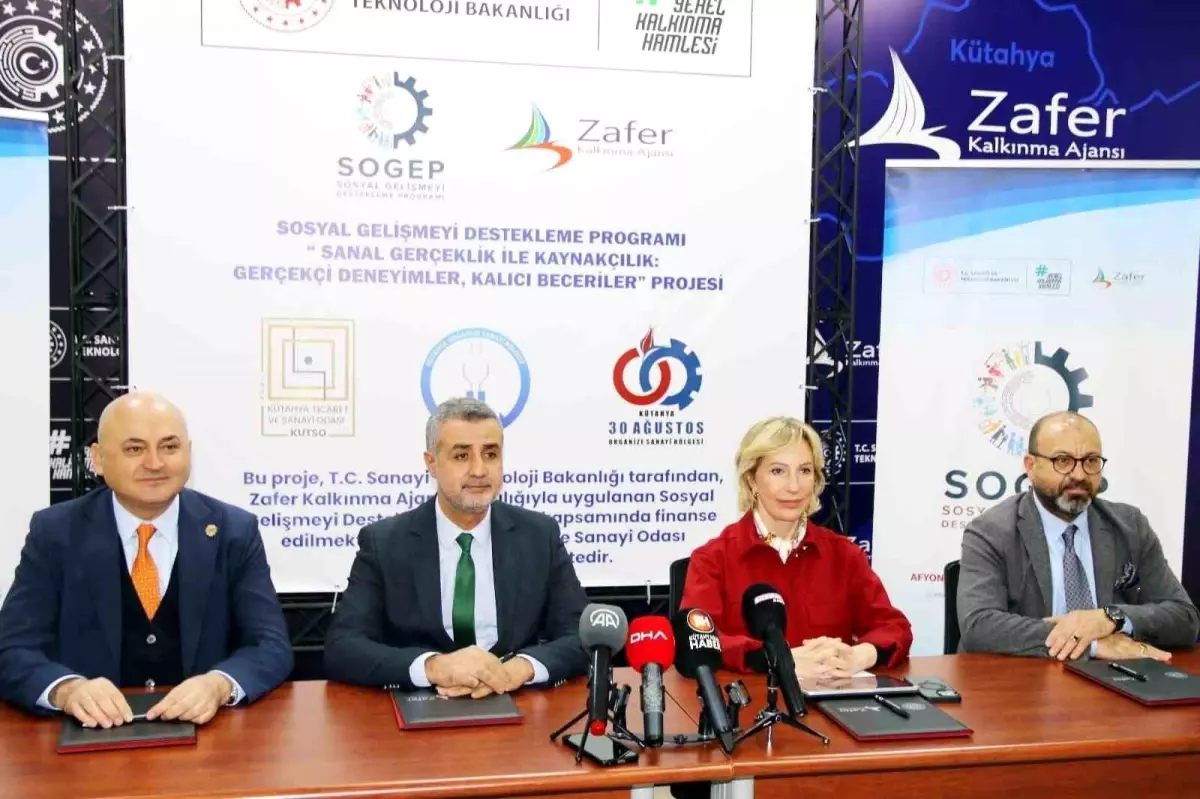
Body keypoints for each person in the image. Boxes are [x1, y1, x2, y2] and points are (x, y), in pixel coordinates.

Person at [0, 393, 292, 727]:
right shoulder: (56, 533)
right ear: (98, 458)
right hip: (91, 739)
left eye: (169, 447)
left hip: (206, 739)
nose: (155, 463)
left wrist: (220, 684)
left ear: (189, 453)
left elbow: (270, 646)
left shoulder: (234, 531)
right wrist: (66, 690)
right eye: (134, 449)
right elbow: (13, 649)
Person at [324, 397, 588, 697]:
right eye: (461, 456)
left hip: (516, 702)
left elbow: (582, 635)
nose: (479, 470)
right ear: (431, 463)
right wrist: (433, 667)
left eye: (490, 454)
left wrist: (521, 668)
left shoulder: (539, 535)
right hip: (419, 708)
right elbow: (342, 647)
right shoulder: (385, 543)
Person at [680, 416, 913, 678]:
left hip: (831, 695)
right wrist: (777, 658)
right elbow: (697, 641)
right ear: (751, 480)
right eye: (778, 471)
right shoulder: (712, 559)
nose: (794, 487)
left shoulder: (844, 555)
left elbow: (894, 628)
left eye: (804, 471)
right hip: (752, 699)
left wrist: (859, 655)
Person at [958, 410, 1199, 661]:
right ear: (1031, 466)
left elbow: (1185, 618)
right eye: (1063, 460)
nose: (1080, 474)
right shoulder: (991, 531)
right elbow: (978, 626)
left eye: (1091, 461)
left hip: (1114, 677)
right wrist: (1091, 645)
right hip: (1026, 675)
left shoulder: (1130, 527)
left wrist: (1110, 618)